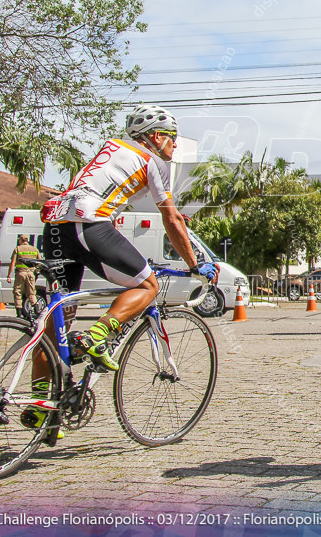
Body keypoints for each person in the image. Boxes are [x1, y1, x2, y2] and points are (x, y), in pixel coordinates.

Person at [40, 104, 217, 371]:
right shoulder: (154, 161)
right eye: (173, 137)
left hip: (56, 227)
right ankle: (96, 336)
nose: (176, 145)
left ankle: (41, 404)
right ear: (156, 137)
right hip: (88, 224)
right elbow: (170, 219)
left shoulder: (112, 149)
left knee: (58, 326)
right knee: (149, 286)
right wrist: (194, 265)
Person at [6, 234, 40, 316]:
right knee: (31, 293)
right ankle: (37, 311)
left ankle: (19, 313)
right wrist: (36, 272)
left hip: (20, 273)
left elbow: (13, 262)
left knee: (18, 292)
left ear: (20, 240)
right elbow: (39, 262)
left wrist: (9, 275)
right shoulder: (35, 249)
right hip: (31, 273)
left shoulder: (17, 249)